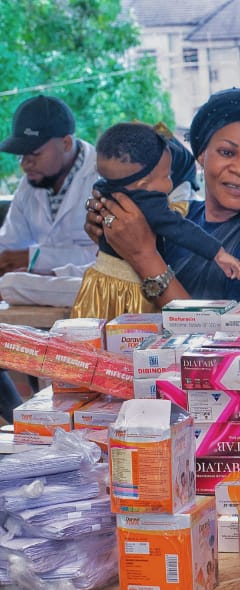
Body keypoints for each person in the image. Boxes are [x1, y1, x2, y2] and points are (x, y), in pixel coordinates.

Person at [84, 88, 240, 305]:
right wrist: (111, 236)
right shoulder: (183, 215)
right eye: (227, 153)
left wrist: (143, 256)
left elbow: (235, 335)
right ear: (202, 156)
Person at [72, 122, 240, 320]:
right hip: (130, 290)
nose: (171, 183)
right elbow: (180, 229)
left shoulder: (103, 187)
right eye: (167, 176)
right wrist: (218, 252)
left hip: (97, 282)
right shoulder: (149, 201)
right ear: (143, 184)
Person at [0, 95, 99, 425]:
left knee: (13, 283)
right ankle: (20, 426)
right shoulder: (31, 186)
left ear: (66, 143)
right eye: (22, 155)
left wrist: (33, 258)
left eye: (34, 153)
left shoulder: (101, 177)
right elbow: (9, 247)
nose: (25, 163)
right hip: (46, 297)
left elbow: (107, 256)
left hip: (93, 291)